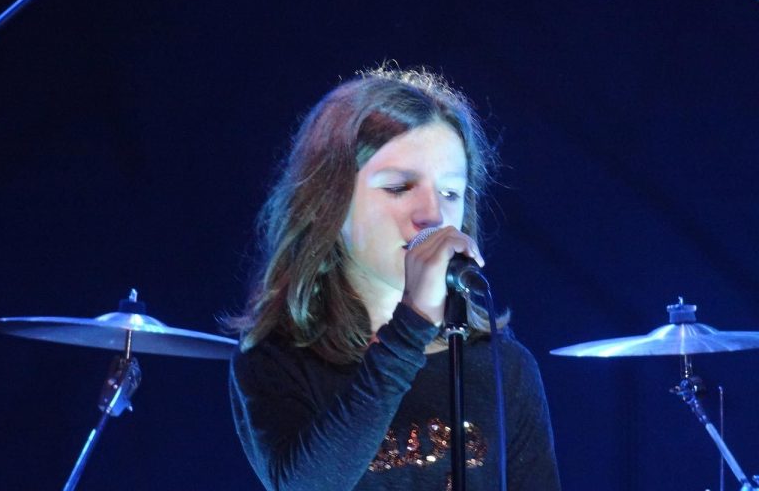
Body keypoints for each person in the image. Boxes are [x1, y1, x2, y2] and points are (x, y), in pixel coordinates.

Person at [228, 66, 560, 490]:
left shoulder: (501, 366)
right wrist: (411, 326)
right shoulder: (276, 360)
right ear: (329, 202)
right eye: (400, 187)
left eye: (450, 193)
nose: (432, 216)